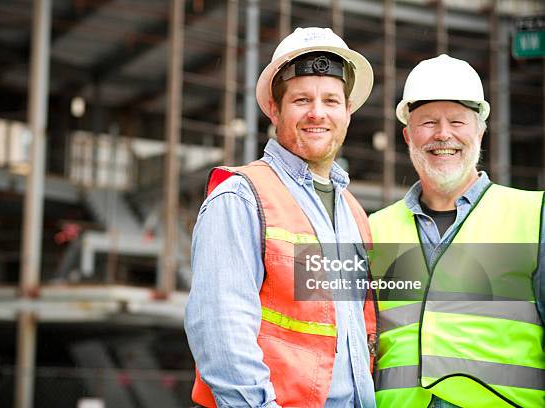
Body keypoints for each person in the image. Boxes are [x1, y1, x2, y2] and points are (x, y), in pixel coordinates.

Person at [185, 27, 377, 408]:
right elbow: (222, 334)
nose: (317, 113)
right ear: (274, 110)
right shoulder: (241, 197)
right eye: (302, 99)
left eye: (331, 101)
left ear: (348, 111)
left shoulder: (353, 213)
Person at [369, 54, 544, 408]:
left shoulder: (535, 216)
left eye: (457, 121)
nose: (443, 134)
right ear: (407, 135)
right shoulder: (372, 229)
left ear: (479, 130)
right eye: (428, 122)